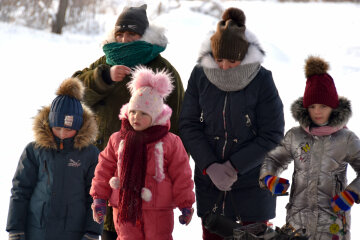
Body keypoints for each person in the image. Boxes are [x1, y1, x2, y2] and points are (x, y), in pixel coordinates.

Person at [71, 4, 184, 239]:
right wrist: (103, 77)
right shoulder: (106, 61)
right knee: (108, 231)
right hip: (106, 168)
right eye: (120, 34)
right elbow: (75, 93)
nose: (124, 40)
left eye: (131, 34)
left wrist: (173, 182)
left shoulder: (163, 70)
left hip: (148, 183)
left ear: (143, 35)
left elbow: (178, 129)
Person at [179, 7, 285, 240]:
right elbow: (188, 124)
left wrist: (233, 166)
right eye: (219, 59)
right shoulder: (200, 75)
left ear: (244, 56)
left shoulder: (262, 79)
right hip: (211, 186)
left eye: (232, 60)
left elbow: (273, 134)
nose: (224, 66)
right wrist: (210, 166)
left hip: (253, 186)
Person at [259, 56, 360, 240]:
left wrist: (352, 193)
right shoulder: (295, 136)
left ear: (333, 106)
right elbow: (273, 159)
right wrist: (269, 178)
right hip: (297, 225)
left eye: (323, 106)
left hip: (332, 226)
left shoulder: (346, 139)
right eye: (312, 106)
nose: (317, 112)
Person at [89, 66, 195, 240]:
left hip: (158, 211)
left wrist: (186, 204)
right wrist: (99, 198)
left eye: (143, 114)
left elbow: (182, 175)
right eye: (132, 112)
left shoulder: (170, 142)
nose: (135, 117)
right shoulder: (118, 139)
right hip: (125, 208)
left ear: (155, 116)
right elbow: (103, 170)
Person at [6, 78, 103, 240]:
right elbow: (20, 191)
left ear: (79, 127)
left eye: (68, 129)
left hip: (74, 233)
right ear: (50, 124)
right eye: (57, 128)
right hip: (37, 231)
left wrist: (92, 232)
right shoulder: (34, 150)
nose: (63, 134)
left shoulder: (90, 154)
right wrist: (15, 230)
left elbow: (95, 196)